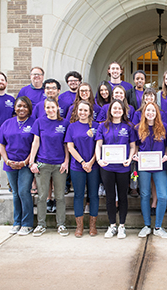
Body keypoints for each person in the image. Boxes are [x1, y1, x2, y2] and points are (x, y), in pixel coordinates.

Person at [95, 99, 137, 239]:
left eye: (120, 108)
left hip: (123, 167)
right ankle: (112, 225)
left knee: (123, 196)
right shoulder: (103, 126)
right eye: (115, 108)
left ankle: (122, 226)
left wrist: (130, 159)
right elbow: (99, 145)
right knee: (110, 197)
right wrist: (99, 159)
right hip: (107, 167)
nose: (117, 111)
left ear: (123, 111)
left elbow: (132, 146)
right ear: (110, 111)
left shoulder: (129, 126)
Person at [29, 98, 70, 237]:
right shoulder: (39, 122)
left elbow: (67, 145)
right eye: (48, 108)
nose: (50, 110)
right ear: (44, 109)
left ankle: (61, 224)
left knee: (60, 197)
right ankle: (41, 224)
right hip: (43, 163)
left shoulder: (64, 123)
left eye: (53, 107)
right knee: (41, 196)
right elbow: (35, 142)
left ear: (57, 107)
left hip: (59, 164)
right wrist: (31, 162)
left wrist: (66, 162)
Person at [0, 96, 35, 235]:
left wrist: (26, 161)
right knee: (15, 193)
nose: (21, 109)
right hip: (10, 164)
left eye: (25, 106)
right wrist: (6, 161)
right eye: (19, 106)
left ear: (29, 108)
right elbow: (1, 144)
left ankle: (27, 224)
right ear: (15, 107)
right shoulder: (7, 123)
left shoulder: (33, 123)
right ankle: (17, 222)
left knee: (24, 191)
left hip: (26, 164)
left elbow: (36, 145)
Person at [134, 102, 167, 239]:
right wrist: (136, 155)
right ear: (144, 112)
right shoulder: (138, 128)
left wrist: (166, 155)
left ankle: (158, 227)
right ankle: (147, 225)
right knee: (144, 194)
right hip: (143, 167)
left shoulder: (163, 127)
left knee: (162, 195)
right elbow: (135, 146)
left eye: (153, 110)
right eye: (148, 110)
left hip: (159, 166)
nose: (150, 113)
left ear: (157, 113)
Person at [65, 100, 100, 237]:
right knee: (79, 195)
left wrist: (91, 162)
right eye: (80, 110)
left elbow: (99, 146)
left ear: (90, 112)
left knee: (94, 195)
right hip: (77, 167)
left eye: (86, 110)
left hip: (94, 166)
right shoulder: (72, 127)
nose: (83, 113)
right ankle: (79, 227)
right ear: (76, 111)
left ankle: (93, 226)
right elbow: (70, 147)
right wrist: (82, 162)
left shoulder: (97, 126)